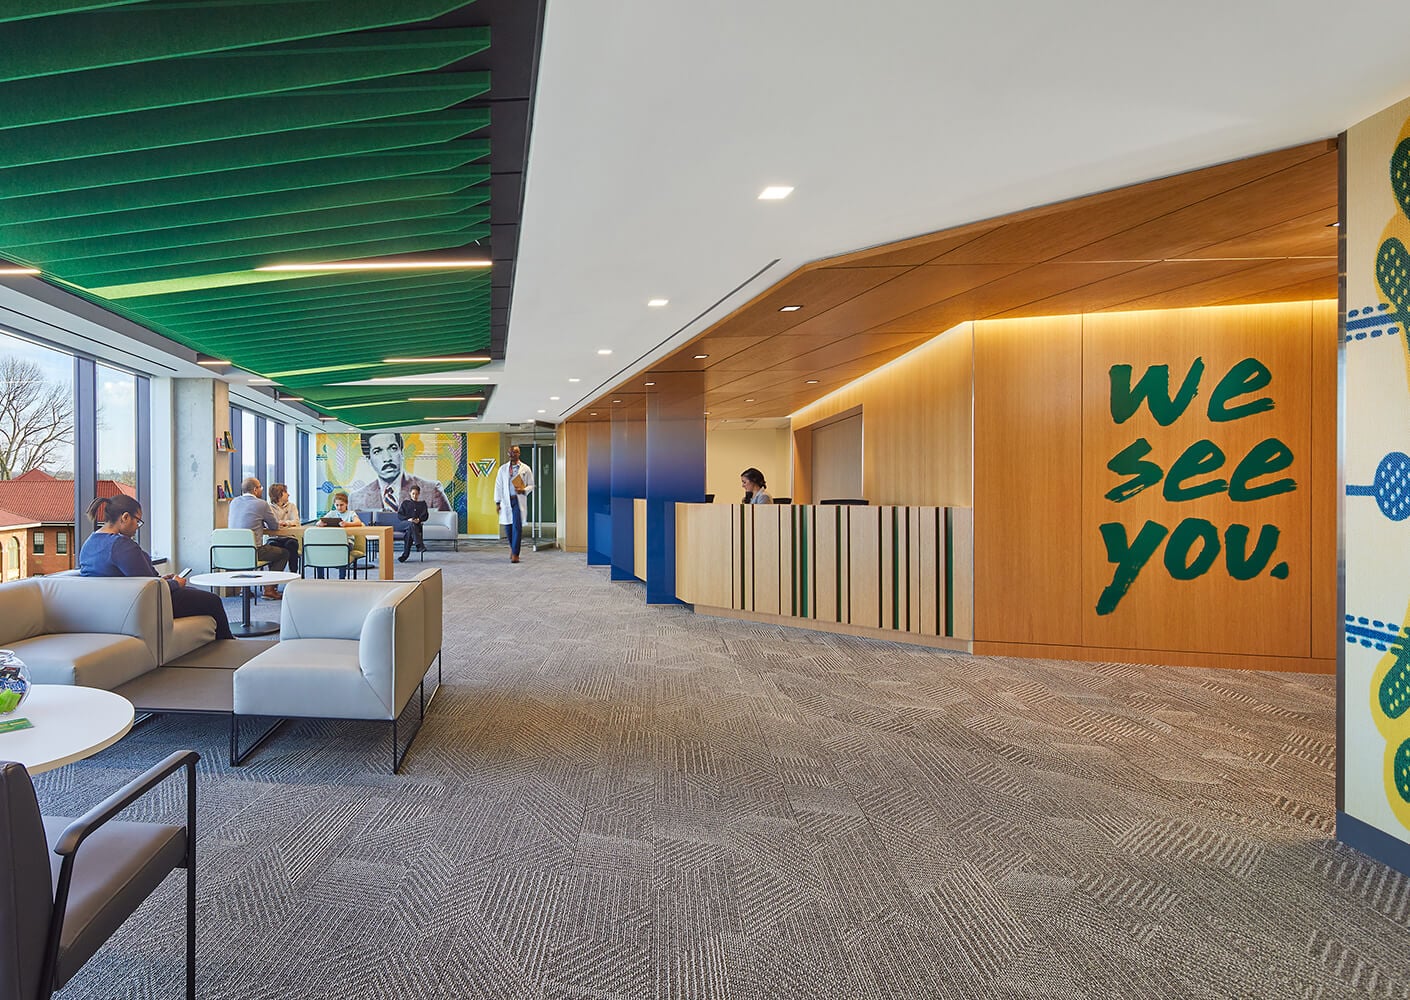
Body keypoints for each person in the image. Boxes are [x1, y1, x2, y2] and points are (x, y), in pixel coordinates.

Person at [78, 494, 234, 640]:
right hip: (142, 606)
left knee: (194, 594)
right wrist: (175, 583)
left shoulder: (89, 543)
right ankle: (228, 644)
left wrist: (163, 580)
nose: (137, 527)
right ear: (125, 517)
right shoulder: (121, 545)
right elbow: (151, 588)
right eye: (137, 521)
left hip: (110, 608)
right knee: (212, 601)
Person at [350, 432, 451, 512]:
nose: (387, 458)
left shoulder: (432, 490)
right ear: (368, 460)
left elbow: (445, 530)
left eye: (393, 448)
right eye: (377, 451)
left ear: (401, 453)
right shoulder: (356, 499)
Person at [226, 476, 291, 597]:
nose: (262, 489)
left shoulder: (234, 502)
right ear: (255, 490)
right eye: (260, 487)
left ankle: (242, 589)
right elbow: (274, 526)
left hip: (232, 551)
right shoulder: (261, 504)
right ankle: (269, 589)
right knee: (283, 553)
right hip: (253, 551)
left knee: (269, 549)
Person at [493, 444, 535, 563]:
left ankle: (516, 554)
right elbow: (498, 485)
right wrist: (497, 502)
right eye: (511, 452)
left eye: (515, 452)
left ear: (519, 453)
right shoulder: (503, 469)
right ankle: (512, 548)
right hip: (506, 500)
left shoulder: (525, 469)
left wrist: (524, 490)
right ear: (508, 454)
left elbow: (531, 485)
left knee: (517, 526)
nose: (513, 454)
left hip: (518, 500)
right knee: (508, 526)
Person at [323, 491, 366, 578]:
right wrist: (320, 524)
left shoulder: (351, 514)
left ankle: (342, 577)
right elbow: (319, 522)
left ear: (346, 504)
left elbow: (358, 523)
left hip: (347, 542)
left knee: (341, 551)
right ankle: (320, 578)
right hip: (333, 542)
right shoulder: (332, 513)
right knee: (320, 549)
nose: (339, 507)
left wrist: (347, 524)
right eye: (337, 505)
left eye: (341, 505)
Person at [396, 485, 429, 563]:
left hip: (415, 526)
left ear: (419, 494)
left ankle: (405, 555)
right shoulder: (405, 503)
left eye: (416, 494)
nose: (415, 496)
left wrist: (419, 519)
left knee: (410, 532)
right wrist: (408, 519)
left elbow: (425, 516)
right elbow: (400, 515)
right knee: (411, 525)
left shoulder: (422, 504)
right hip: (404, 524)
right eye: (413, 493)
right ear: (410, 493)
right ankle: (419, 544)